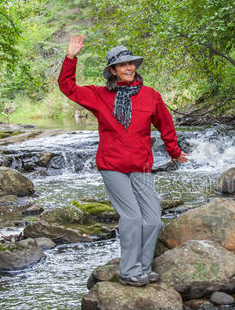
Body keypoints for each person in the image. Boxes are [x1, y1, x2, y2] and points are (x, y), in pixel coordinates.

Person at [58, 34, 188, 287]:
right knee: (131, 217)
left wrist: (174, 150)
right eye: (123, 65)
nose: (129, 68)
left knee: (152, 219)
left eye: (132, 64)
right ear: (113, 71)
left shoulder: (150, 96)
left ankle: (143, 267)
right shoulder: (98, 96)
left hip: (140, 166)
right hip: (112, 165)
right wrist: (71, 58)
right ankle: (128, 271)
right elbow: (68, 88)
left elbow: (165, 124)